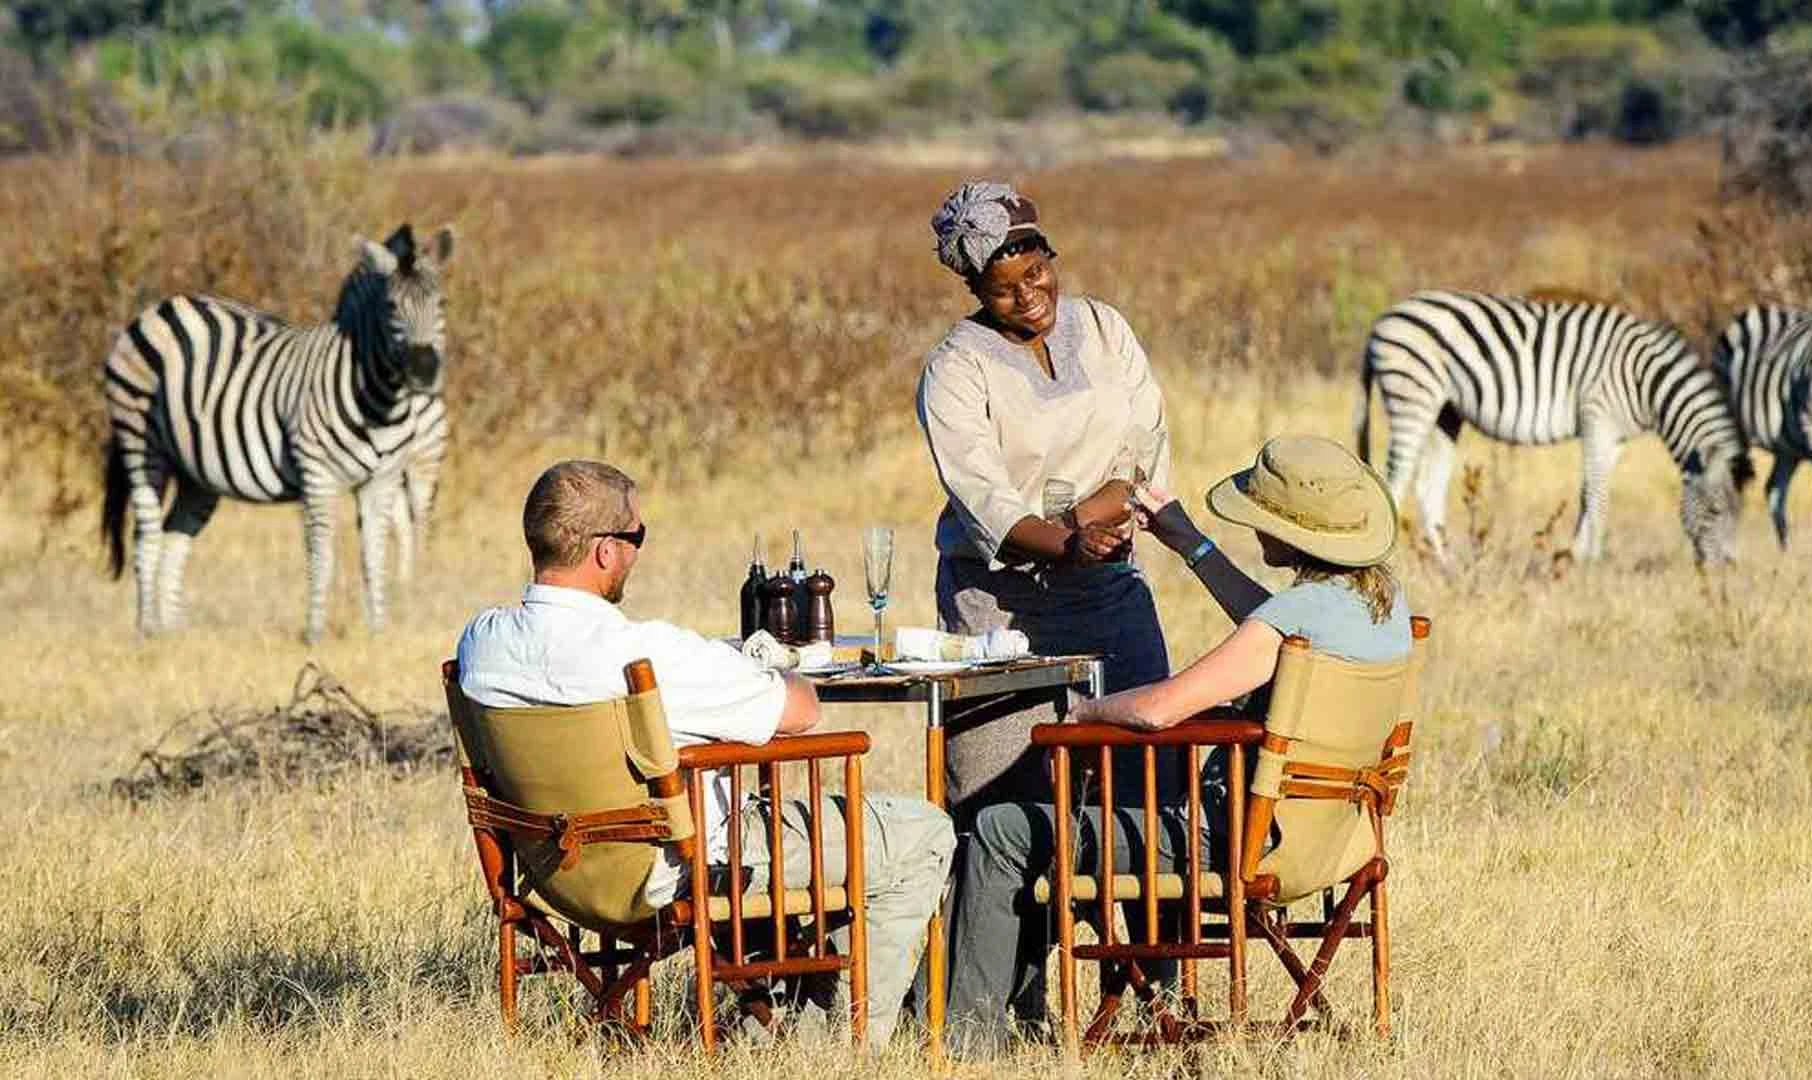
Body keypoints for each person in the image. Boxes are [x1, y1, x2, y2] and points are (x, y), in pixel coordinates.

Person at [456, 460, 955, 1046]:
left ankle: (770, 1024)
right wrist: (774, 664)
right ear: (605, 551)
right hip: (677, 869)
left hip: (555, 877)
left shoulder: (480, 644)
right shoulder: (643, 655)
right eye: (636, 536)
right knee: (923, 834)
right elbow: (800, 712)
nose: (638, 552)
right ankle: (835, 1044)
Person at [943, 435, 1412, 1058]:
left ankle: (967, 1042)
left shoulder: (1290, 621)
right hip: (1336, 841)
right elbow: (1270, 614)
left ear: (1294, 534)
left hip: (1231, 840)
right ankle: (1148, 995)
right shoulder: (1382, 610)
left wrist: (1083, 713)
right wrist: (1190, 541)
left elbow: (1161, 709)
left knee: (1004, 828)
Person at [917, 179, 1174, 818]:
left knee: (1147, 789)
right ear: (975, 291)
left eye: (1036, 273)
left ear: (1051, 258)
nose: (1029, 297)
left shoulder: (1104, 327)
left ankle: (1142, 918)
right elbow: (984, 499)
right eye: (1004, 289)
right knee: (1000, 802)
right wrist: (1066, 542)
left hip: (1110, 590)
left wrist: (1085, 533)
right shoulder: (955, 368)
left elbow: (1145, 451)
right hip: (999, 612)